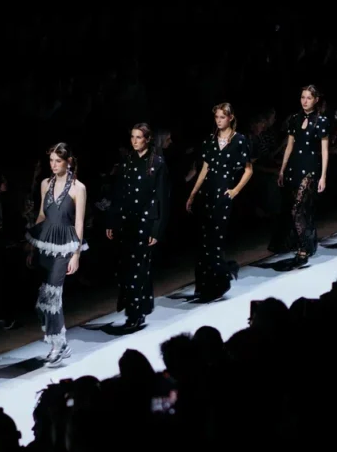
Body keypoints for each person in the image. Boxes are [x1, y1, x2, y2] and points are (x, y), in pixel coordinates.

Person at [106, 123, 171, 330]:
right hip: (127, 221)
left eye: (139, 137)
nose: (135, 141)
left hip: (145, 222)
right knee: (126, 266)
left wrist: (156, 229)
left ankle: (135, 314)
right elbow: (119, 193)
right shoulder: (127, 162)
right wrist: (112, 220)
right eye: (132, 137)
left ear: (147, 139)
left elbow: (161, 198)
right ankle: (141, 305)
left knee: (137, 268)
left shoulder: (157, 163)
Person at [27, 143, 87, 365]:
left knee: (53, 294)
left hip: (66, 246)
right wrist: (32, 246)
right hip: (45, 242)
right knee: (43, 300)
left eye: (58, 161)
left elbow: (79, 223)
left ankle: (59, 344)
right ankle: (58, 341)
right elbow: (42, 215)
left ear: (68, 162)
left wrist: (76, 254)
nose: (53, 165)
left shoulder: (78, 188)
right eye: (51, 160)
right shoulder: (46, 184)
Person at [187, 103, 253, 301]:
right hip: (207, 192)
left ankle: (220, 281)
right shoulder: (210, 140)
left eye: (222, 117)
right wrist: (193, 193)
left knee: (215, 239)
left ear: (230, 118)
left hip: (224, 193)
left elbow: (248, 170)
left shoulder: (239, 140)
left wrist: (235, 190)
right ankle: (204, 285)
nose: (218, 121)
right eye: (216, 117)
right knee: (204, 241)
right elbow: (205, 168)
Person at [275, 85, 330, 266]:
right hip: (294, 166)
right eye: (302, 97)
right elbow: (289, 146)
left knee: (298, 208)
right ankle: (306, 241)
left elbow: (324, 150)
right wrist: (282, 169)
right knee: (298, 208)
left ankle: (303, 248)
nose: (305, 101)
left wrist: (323, 176)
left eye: (308, 98)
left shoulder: (321, 121)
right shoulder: (294, 119)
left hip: (311, 167)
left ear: (316, 100)